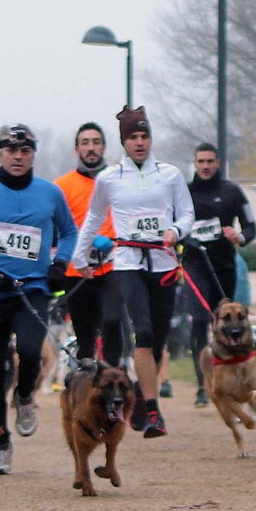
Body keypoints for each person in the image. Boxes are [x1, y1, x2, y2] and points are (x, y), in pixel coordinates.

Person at [0, 125, 78, 475]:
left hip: (32, 290)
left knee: (32, 351)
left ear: (33, 153)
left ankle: (24, 397)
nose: (18, 156)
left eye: (25, 150)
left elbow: (69, 232)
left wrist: (60, 263)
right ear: (0, 154)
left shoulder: (50, 193)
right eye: (11, 150)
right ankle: (1, 440)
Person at [73, 106, 194, 438]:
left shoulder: (169, 174)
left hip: (164, 263)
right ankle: (155, 414)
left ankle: (142, 396)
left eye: (144, 136)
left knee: (156, 341)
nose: (139, 142)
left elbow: (187, 216)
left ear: (151, 139)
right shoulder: (109, 178)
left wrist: (175, 232)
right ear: (124, 142)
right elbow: (94, 220)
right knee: (142, 332)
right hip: (127, 263)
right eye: (133, 137)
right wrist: (79, 257)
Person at [182, 142, 256, 407]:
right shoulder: (184, 192)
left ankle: (229, 377)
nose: (205, 166)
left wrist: (240, 237)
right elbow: (172, 225)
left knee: (228, 323)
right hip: (195, 266)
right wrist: (186, 239)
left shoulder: (232, 192)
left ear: (218, 163)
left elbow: (251, 227)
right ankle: (203, 383)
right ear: (194, 163)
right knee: (200, 319)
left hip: (225, 266)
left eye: (210, 161)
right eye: (200, 161)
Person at [54, 123, 124, 366]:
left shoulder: (119, 179)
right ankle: (86, 379)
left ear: (104, 146)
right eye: (85, 143)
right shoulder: (62, 186)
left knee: (112, 320)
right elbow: (55, 230)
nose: (91, 148)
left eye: (96, 142)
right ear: (77, 149)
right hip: (78, 271)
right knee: (85, 336)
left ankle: (115, 373)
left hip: (113, 266)